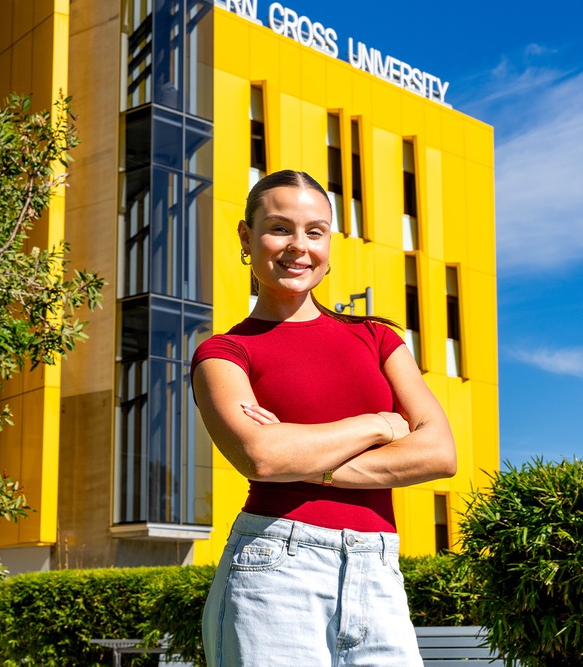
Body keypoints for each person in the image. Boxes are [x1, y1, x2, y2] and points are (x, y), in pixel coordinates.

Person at [190, 169, 457, 666]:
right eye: (279, 228)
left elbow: (439, 453)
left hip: (378, 566)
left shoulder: (378, 338)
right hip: (273, 566)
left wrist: (307, 458)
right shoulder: (225, 353)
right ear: (246, 237)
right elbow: (262, 457)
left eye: (314, 231)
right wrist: (377, 425)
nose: (298, 246)